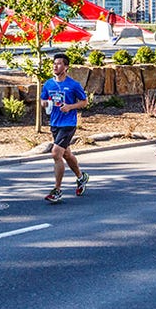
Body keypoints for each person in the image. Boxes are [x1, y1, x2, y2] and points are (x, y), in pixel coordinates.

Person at [41, 53, 90, 203]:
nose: (56, 66)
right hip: (55, 123)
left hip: (68, 124)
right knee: (66, 154)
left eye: (59, 64)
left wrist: (70, 107)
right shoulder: (48, 84)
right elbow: (43, 98)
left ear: (66, 67)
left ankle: (57, 190)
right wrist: (44, 103)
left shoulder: (73, 85)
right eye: (54, 64)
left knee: (56, 153)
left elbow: (84, 102)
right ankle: (81, 177)